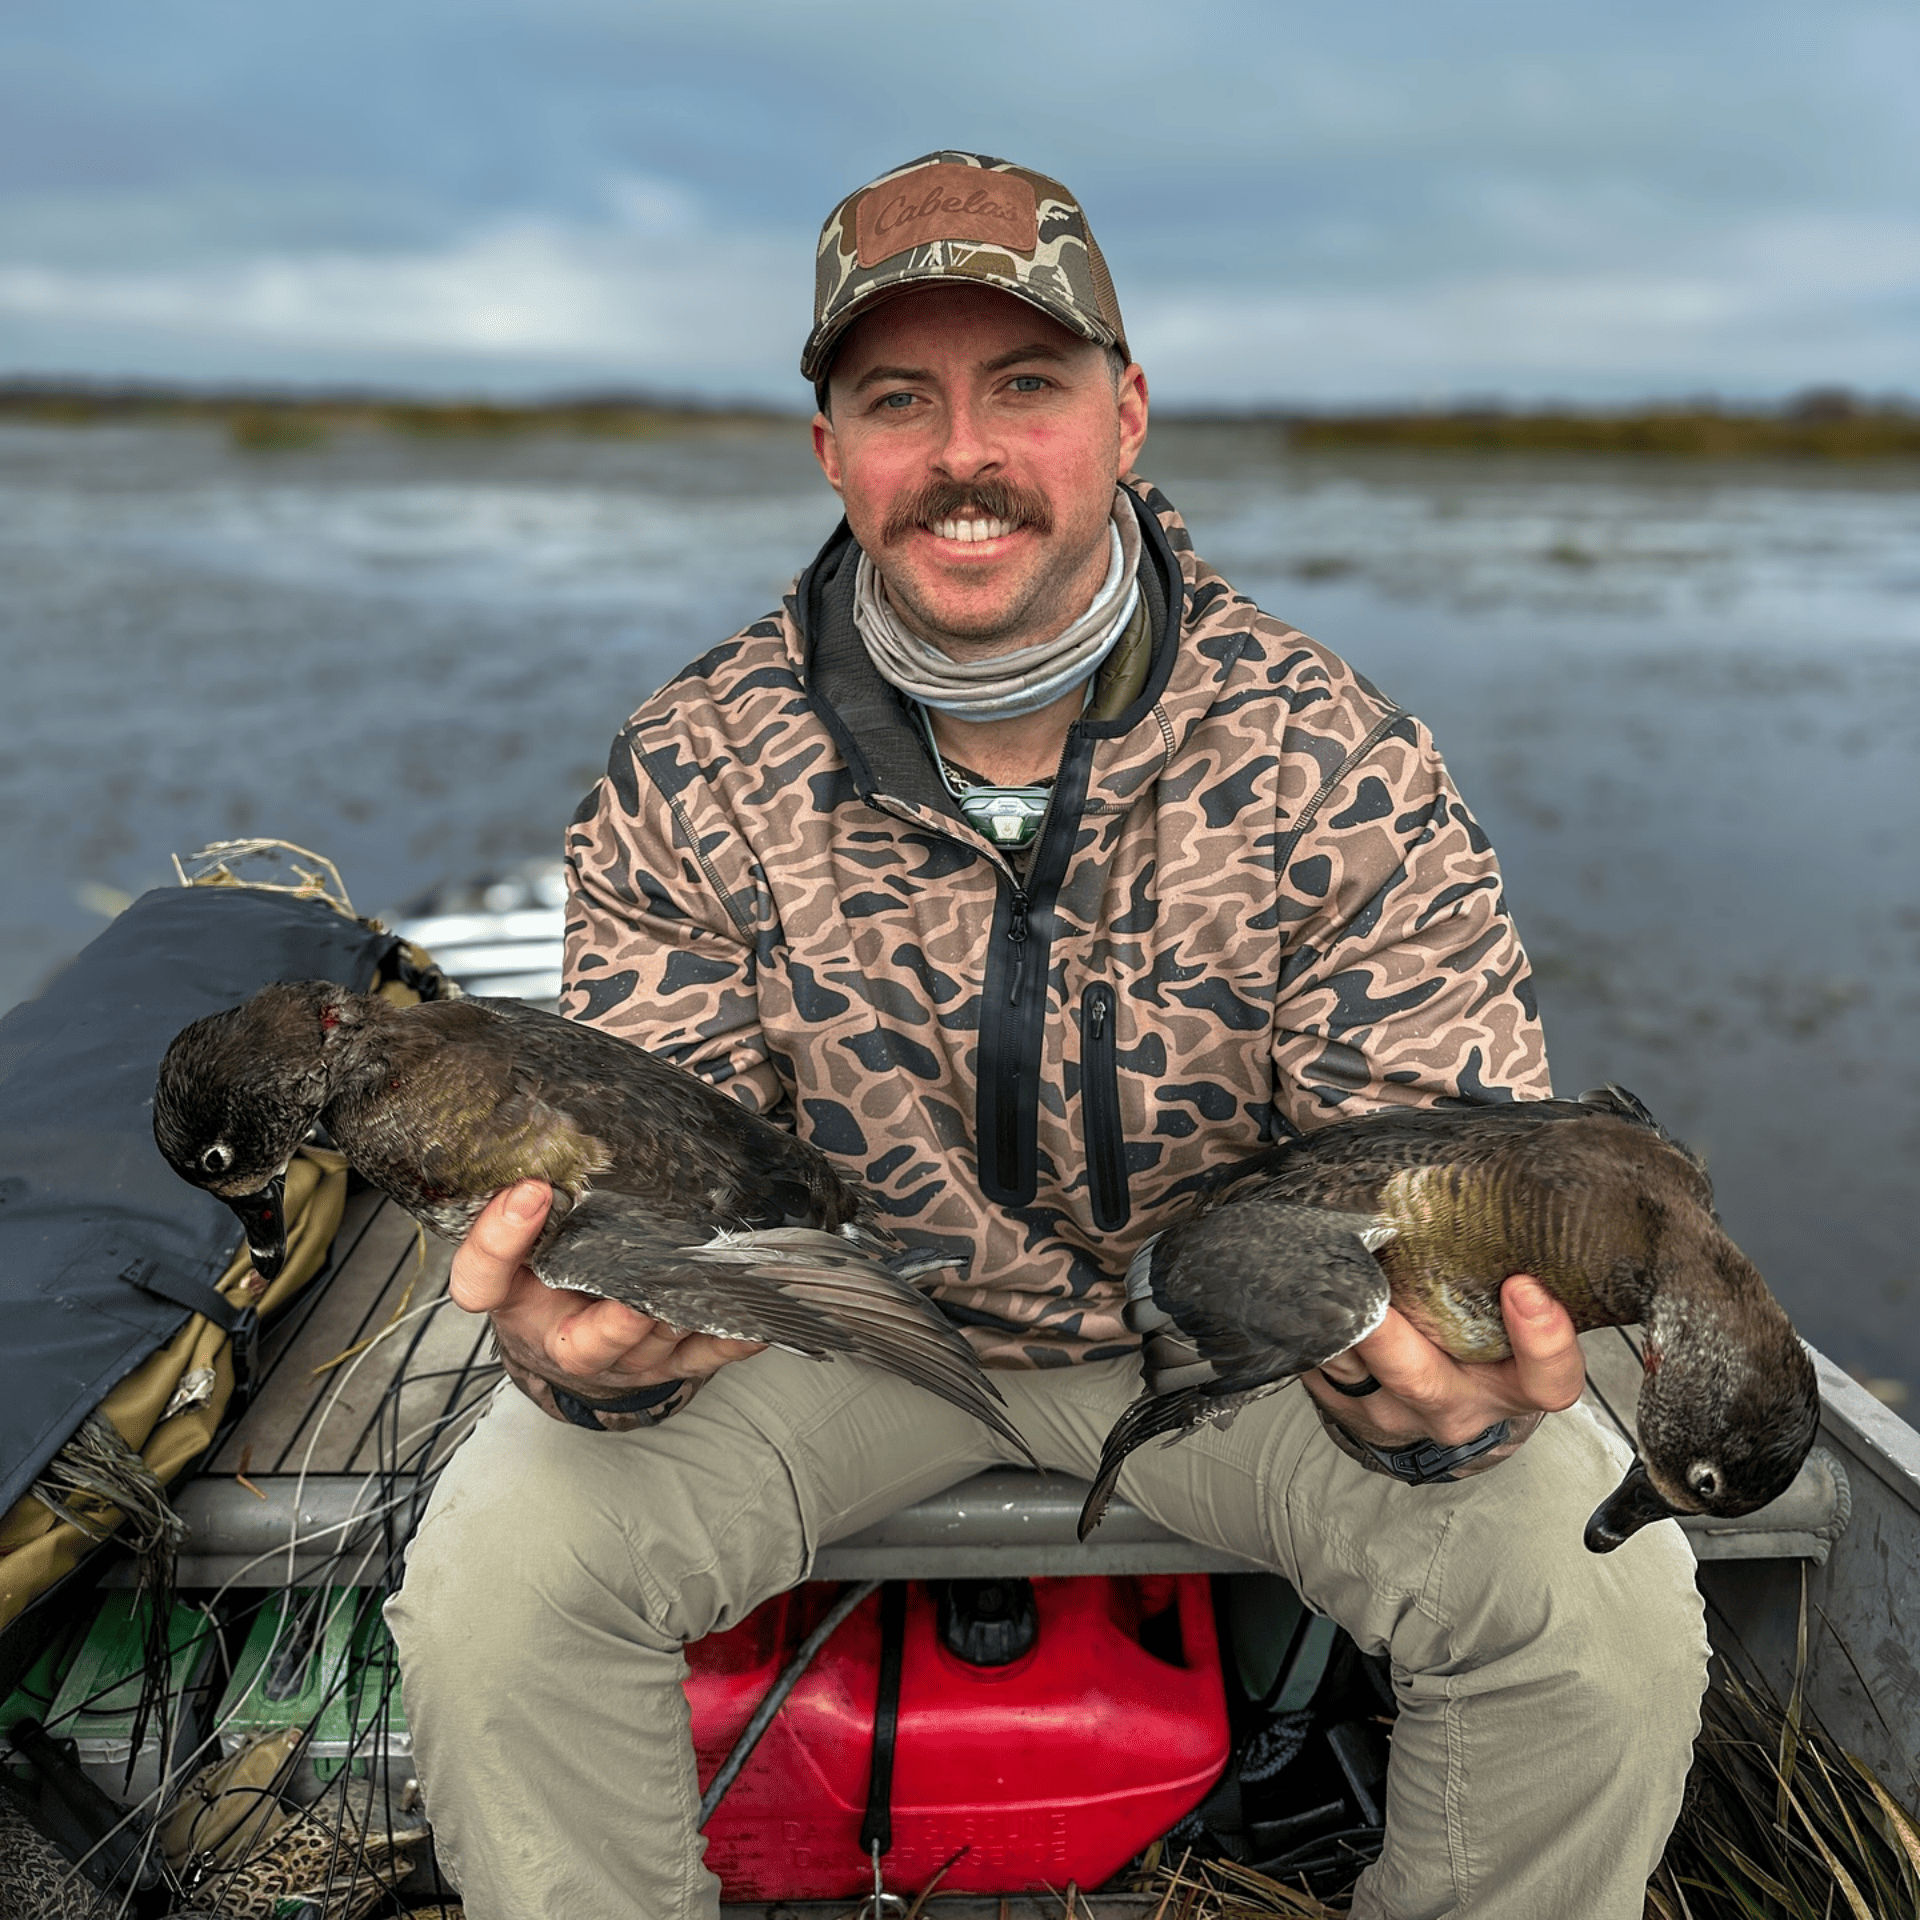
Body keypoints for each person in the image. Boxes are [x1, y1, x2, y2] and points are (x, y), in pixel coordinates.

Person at [386, 152, 1707, 1919]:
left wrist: (1448, 1401)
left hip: (1236, 1364)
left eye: (1026, 386)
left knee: (1591, 1595)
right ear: (831, 451)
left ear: (1128, 412)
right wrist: (587, 1352)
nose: (963, 455)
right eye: (896, 401)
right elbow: (663, 1167)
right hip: (835, 1340)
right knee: (498, 1573)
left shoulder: (1336, 760)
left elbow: (1426, 1174)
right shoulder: (691, 765)